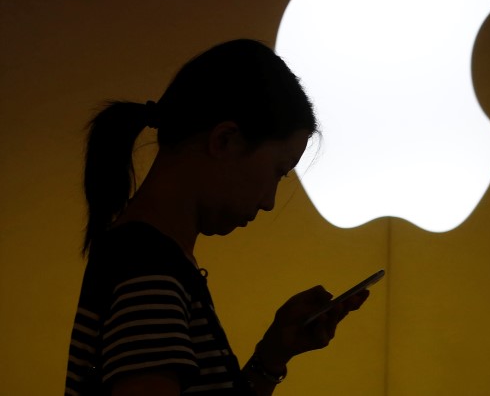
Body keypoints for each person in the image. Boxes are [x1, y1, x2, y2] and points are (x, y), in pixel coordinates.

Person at [65, 39, 369, 396]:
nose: (269, 202)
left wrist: (272, 356)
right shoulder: (151, 275)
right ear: (225, 141)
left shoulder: (151, 263)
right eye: (277, 171)